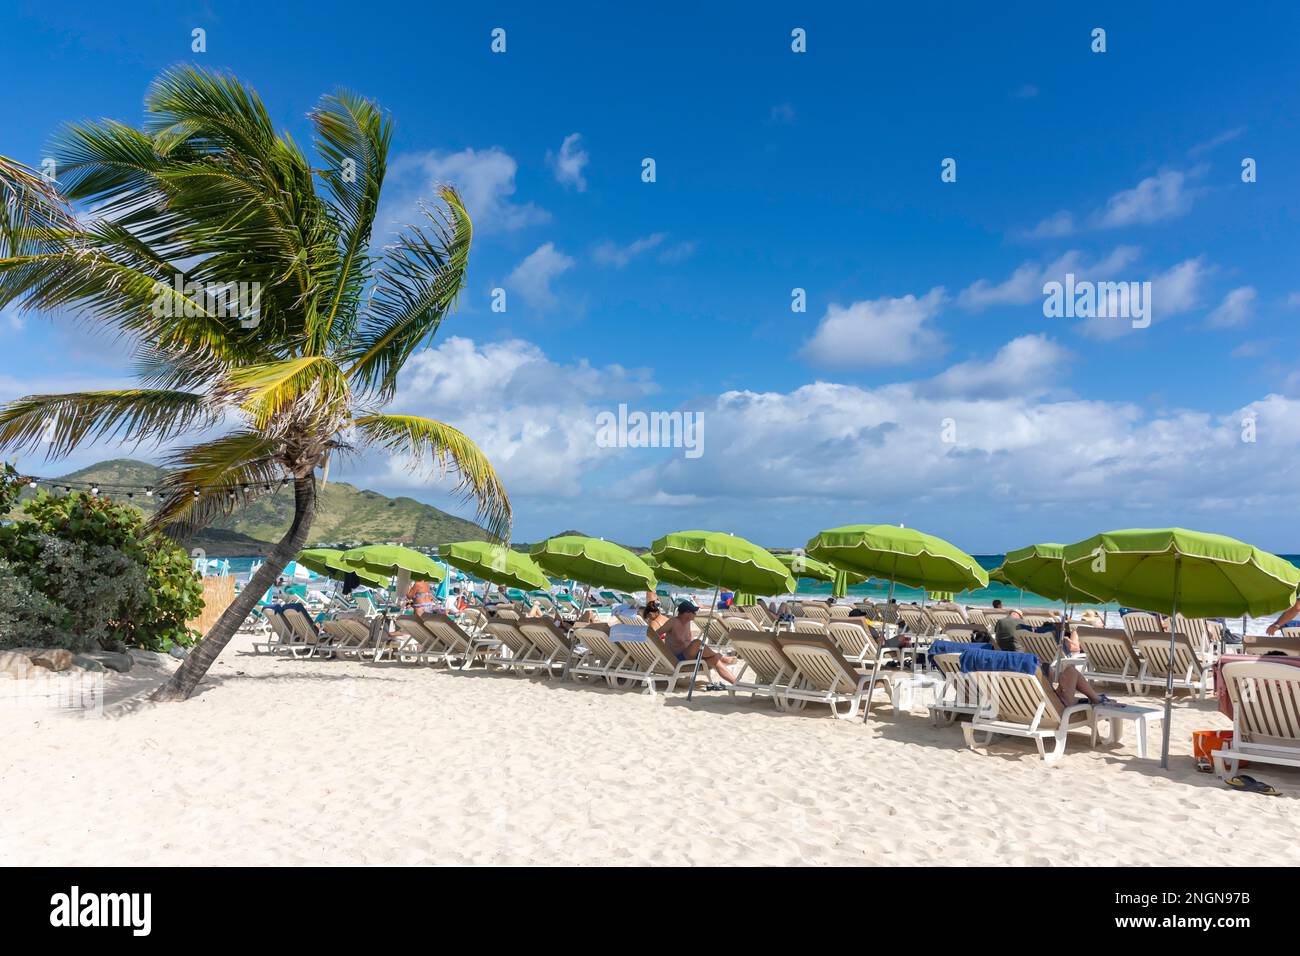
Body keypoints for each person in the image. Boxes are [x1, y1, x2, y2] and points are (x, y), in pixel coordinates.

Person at [655, 601, 738, 684]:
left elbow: (688, 640)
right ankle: (722, 658)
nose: (695, 614)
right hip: (678, 659)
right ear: (686, 613)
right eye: (693, 612)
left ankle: (735, 683)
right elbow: (656, 634)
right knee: (697, 642)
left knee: (715, 660)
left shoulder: (687, 622)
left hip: (691, 656)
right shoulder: (673, 622)